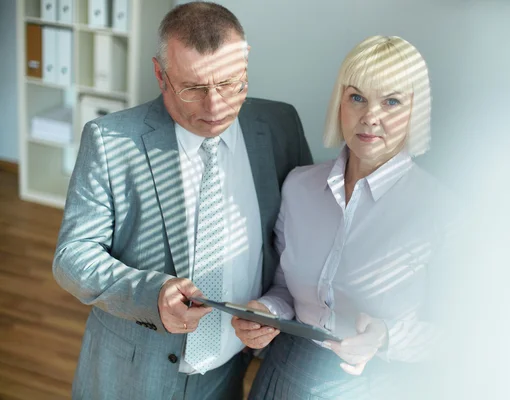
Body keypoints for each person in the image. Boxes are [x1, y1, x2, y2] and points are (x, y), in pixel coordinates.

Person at [52, 3, 312, 400]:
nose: (215, 108)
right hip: (132, 373)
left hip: (228, 369)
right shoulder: (109, 140)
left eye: (230, 84)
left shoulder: (280, 125)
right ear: (161, 74)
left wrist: (274, 309)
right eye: (193, 88)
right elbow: (72, 257)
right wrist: (151, 294)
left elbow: (297, 245)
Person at [232, 35, 457, 399]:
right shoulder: (299, 186)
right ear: (340, 103)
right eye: (357, 98)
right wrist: (265, 311)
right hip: (284, 370)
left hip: (377, 383)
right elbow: (285, 289)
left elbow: (463, 337)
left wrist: (385, 338)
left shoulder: (441, 211)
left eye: (392, 102)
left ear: (416, 111)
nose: (371, 117)